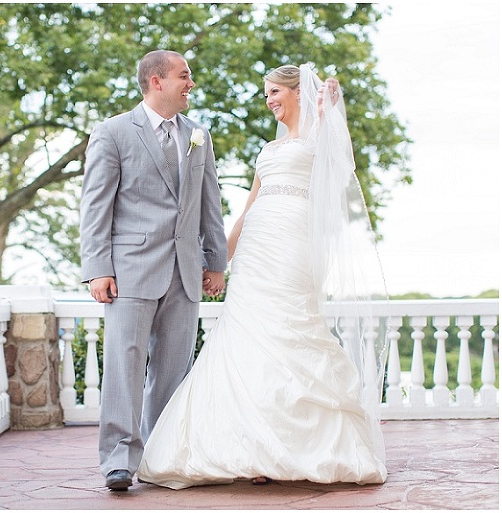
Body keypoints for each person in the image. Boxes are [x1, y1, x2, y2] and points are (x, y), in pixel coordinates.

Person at [135, 64, 389, 489]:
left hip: (293, 243)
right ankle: (253, 448)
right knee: (244, 336)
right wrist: (219, 261)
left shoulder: (318, 135)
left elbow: (342, 161)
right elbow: (249, 206)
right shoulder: (269, 151)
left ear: (296, 92)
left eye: (274, 92)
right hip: (256, 247)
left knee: (290, 328)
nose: (269, 100)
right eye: (265, 94)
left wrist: (331, 105)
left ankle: (294, 447)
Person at [79, 49, 229, 491]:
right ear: (156, 80)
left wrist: (216, 263)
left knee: (172, 368)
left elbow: (210, 205)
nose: (191, 84)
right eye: (184, 76)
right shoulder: (113, 132)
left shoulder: (198, 134)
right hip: (129, 270)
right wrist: (96, 269)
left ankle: (161, 455)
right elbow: (96, 205)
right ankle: (119, 460)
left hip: (185, 270)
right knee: (125, 364)